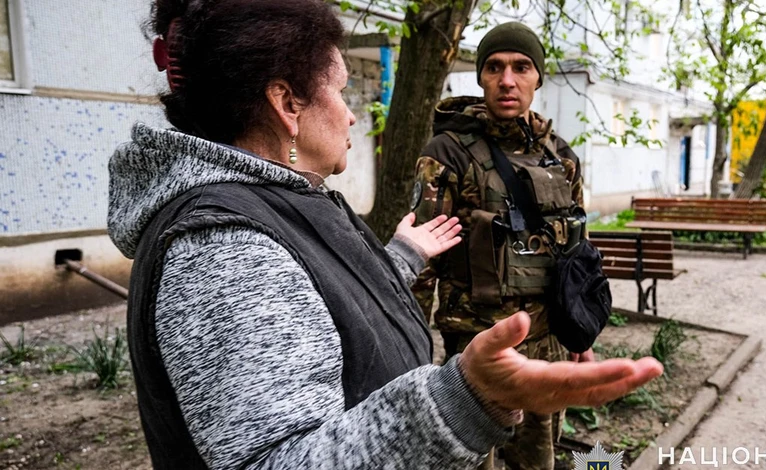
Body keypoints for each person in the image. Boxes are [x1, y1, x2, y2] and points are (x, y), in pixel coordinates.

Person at [108, 2, 663, 469]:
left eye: (523, 67)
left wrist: (401, 256)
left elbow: (328, 296)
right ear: (287, 105)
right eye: (344, 92)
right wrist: (462, 399)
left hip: (540, 338)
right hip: (484, 336)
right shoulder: (222, 247)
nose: (354, 117)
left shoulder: (285, 199)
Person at [410, 22, 593, 469]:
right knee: (475, 458)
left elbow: (578, 254)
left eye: (521, 67)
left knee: (537, 458)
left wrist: (583, 331)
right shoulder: (447, 153)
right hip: (479, 346)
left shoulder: (562, 156)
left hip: (548, 341)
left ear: (538, 78)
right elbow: (422, 258)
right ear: (481, 77)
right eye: (494, 67)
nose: (507, 80)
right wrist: (410, 348)